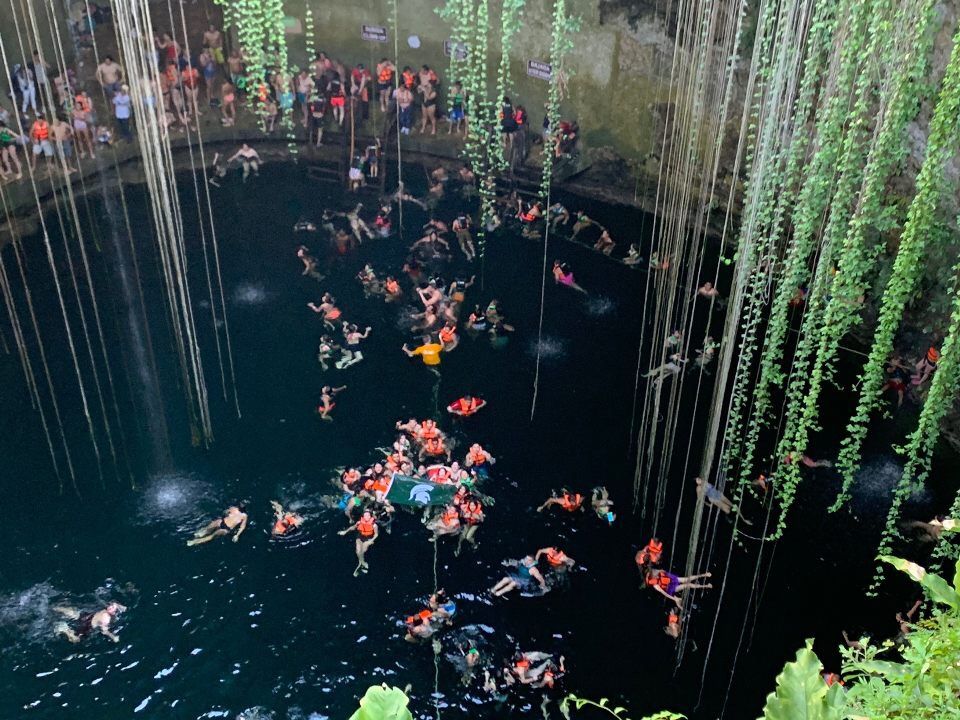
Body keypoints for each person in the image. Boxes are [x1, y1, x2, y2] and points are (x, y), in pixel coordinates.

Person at [54, 602, 127, 643]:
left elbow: (104, 631)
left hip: (88, 626)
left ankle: (65, 630)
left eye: (112, 608)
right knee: (71, 612)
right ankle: (55, 608)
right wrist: (119, 606)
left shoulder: (106, 619)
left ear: (114, 613)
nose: (110, 607)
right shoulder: (106, 610)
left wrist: (113, 637)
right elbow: (121, 607)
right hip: (88, 616)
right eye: (111, 606)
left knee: (76, 639)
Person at [338, 509, 379, 576]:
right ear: (363, 516)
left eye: (368, 515)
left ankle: (362, 562)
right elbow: (352, 527)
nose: (366, 516)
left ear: (370, 516)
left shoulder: (374, 525)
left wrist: (371, 540)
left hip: (368, 538)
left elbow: (376, 534)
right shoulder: (359, 522)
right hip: (360, 537)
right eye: (365, 515)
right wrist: (345, 532)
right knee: (358, 551)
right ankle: (362, 562)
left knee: (363, 550)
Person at [645, 568, 712, 607]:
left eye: (653, 572)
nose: (654, 572)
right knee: (687, 585)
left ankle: (704, 575)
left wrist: (664, 573)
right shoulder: (655, 585)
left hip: (671, 579)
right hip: (670, 588)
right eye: (653, 574)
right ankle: (706, 586)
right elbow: (665, 594)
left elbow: (663, 572)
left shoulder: (656, 571)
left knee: (687, 579)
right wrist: (674, 599)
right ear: (652, 577)